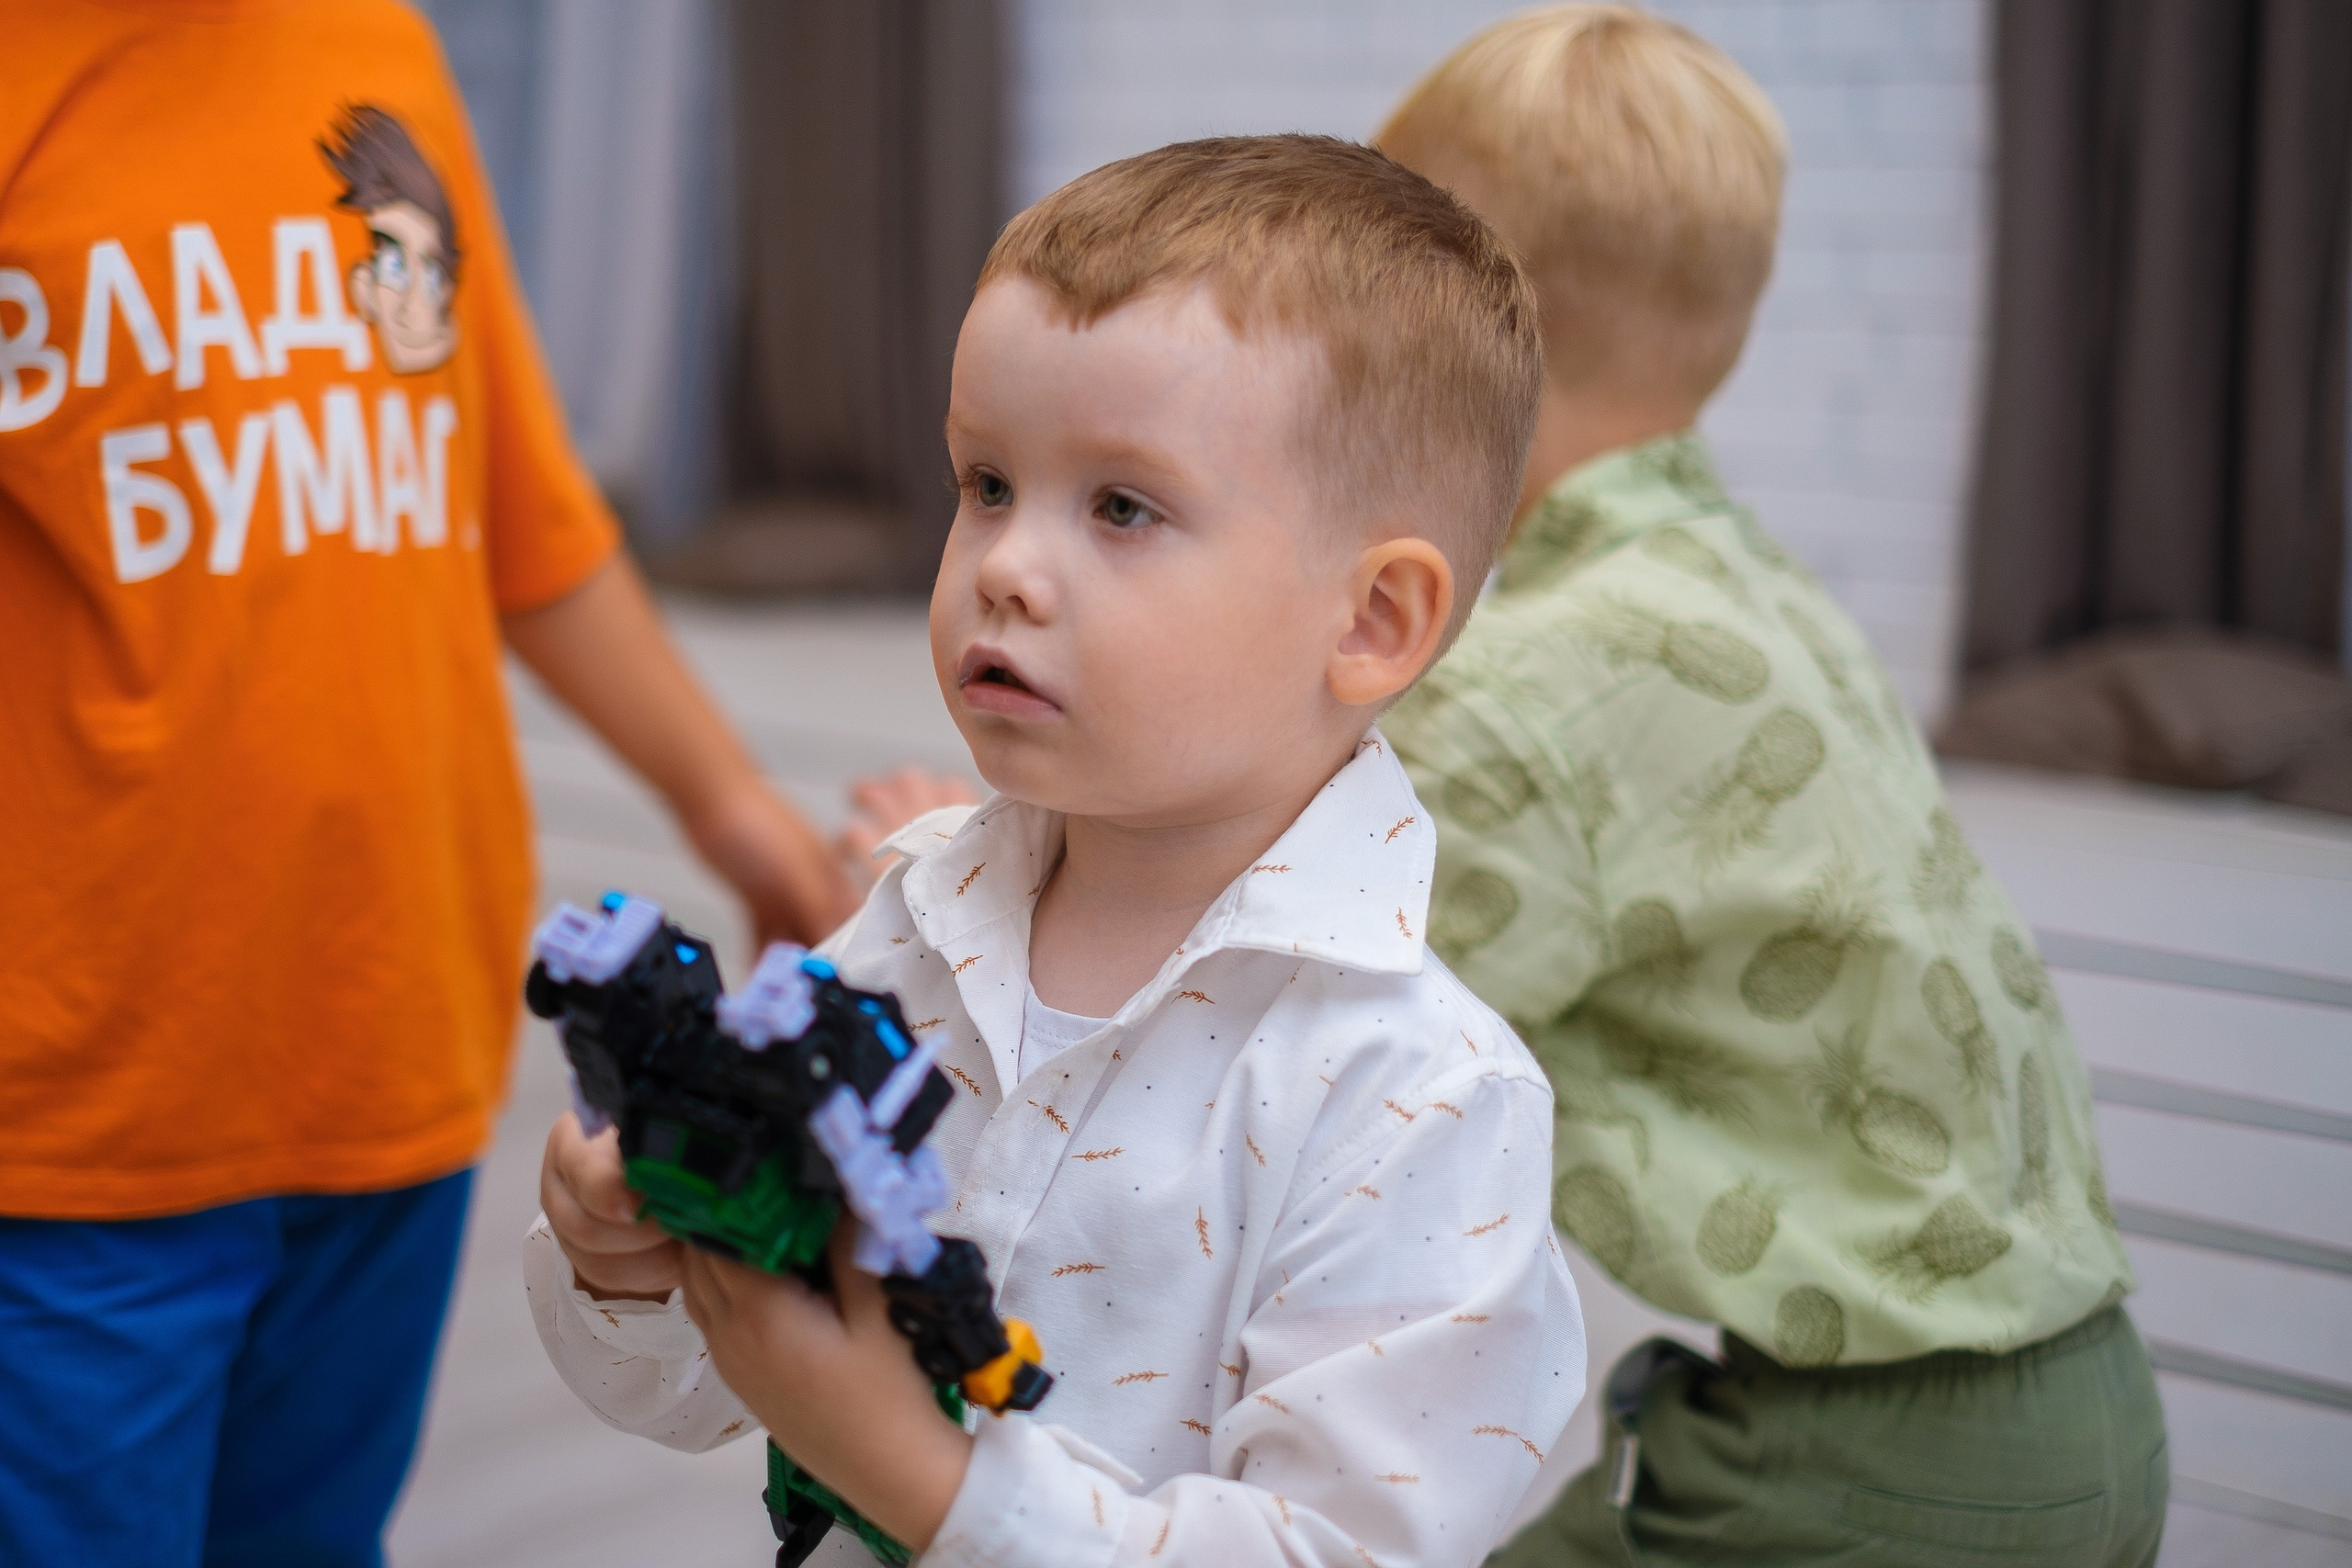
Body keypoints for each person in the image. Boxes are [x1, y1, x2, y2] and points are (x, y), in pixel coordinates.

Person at [528, 135, 1588, 1567]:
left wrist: (928, 1481)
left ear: (1371, 621)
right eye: (984, 483)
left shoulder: (1422, 1105)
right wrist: (634, 1269)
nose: (1008, 568)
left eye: (1123, 507)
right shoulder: (914, 921)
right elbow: (711, 1386)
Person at [0, 5, 856, 1564]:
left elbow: (519, 509)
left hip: (389, 1054)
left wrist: (733, 809)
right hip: (74, 1130)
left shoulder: (371, 43)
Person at [1370, 8, 2167, 1565]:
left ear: (1442, 319)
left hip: (1882, 1462)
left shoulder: (1526, 693)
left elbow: (1330, 1040)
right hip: (2075, 1411)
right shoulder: (1747, 589)